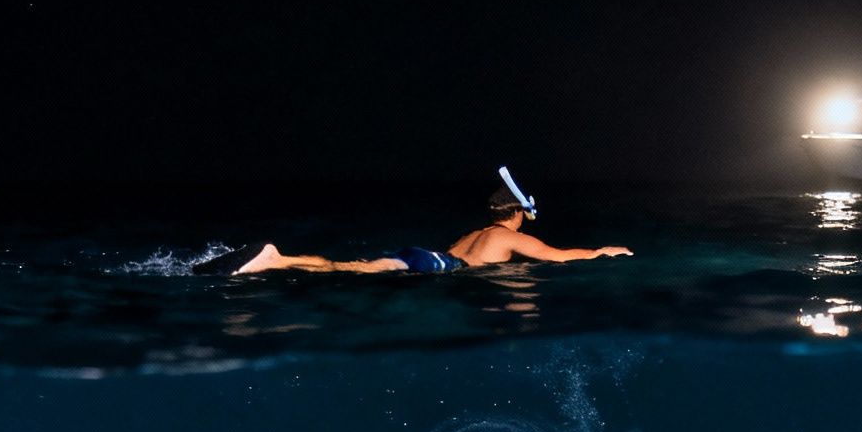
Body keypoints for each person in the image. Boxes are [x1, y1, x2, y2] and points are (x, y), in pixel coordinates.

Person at [194, 167, 632, 275]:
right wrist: (599, 251)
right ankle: (274, 259)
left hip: (429, 257)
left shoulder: (477, 233)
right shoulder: (507, 238)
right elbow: (557, 257)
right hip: (437, 267)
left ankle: (279, 259)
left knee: (356, 268)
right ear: (516, 213)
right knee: (353, 271)